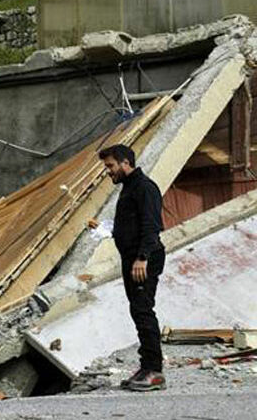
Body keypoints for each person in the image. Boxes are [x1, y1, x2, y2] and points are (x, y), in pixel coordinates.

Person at [98, 144, 167, 392]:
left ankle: (155, 371)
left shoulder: (145, 187)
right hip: (133, 259)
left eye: (110, 166)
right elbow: (131, 224)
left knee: (143, 310)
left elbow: (152, 225)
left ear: (125, 163)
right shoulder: (129, 188)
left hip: (144, 260)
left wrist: (143, 257)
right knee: (138, 311)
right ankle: (146, 367)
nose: (108, 172)